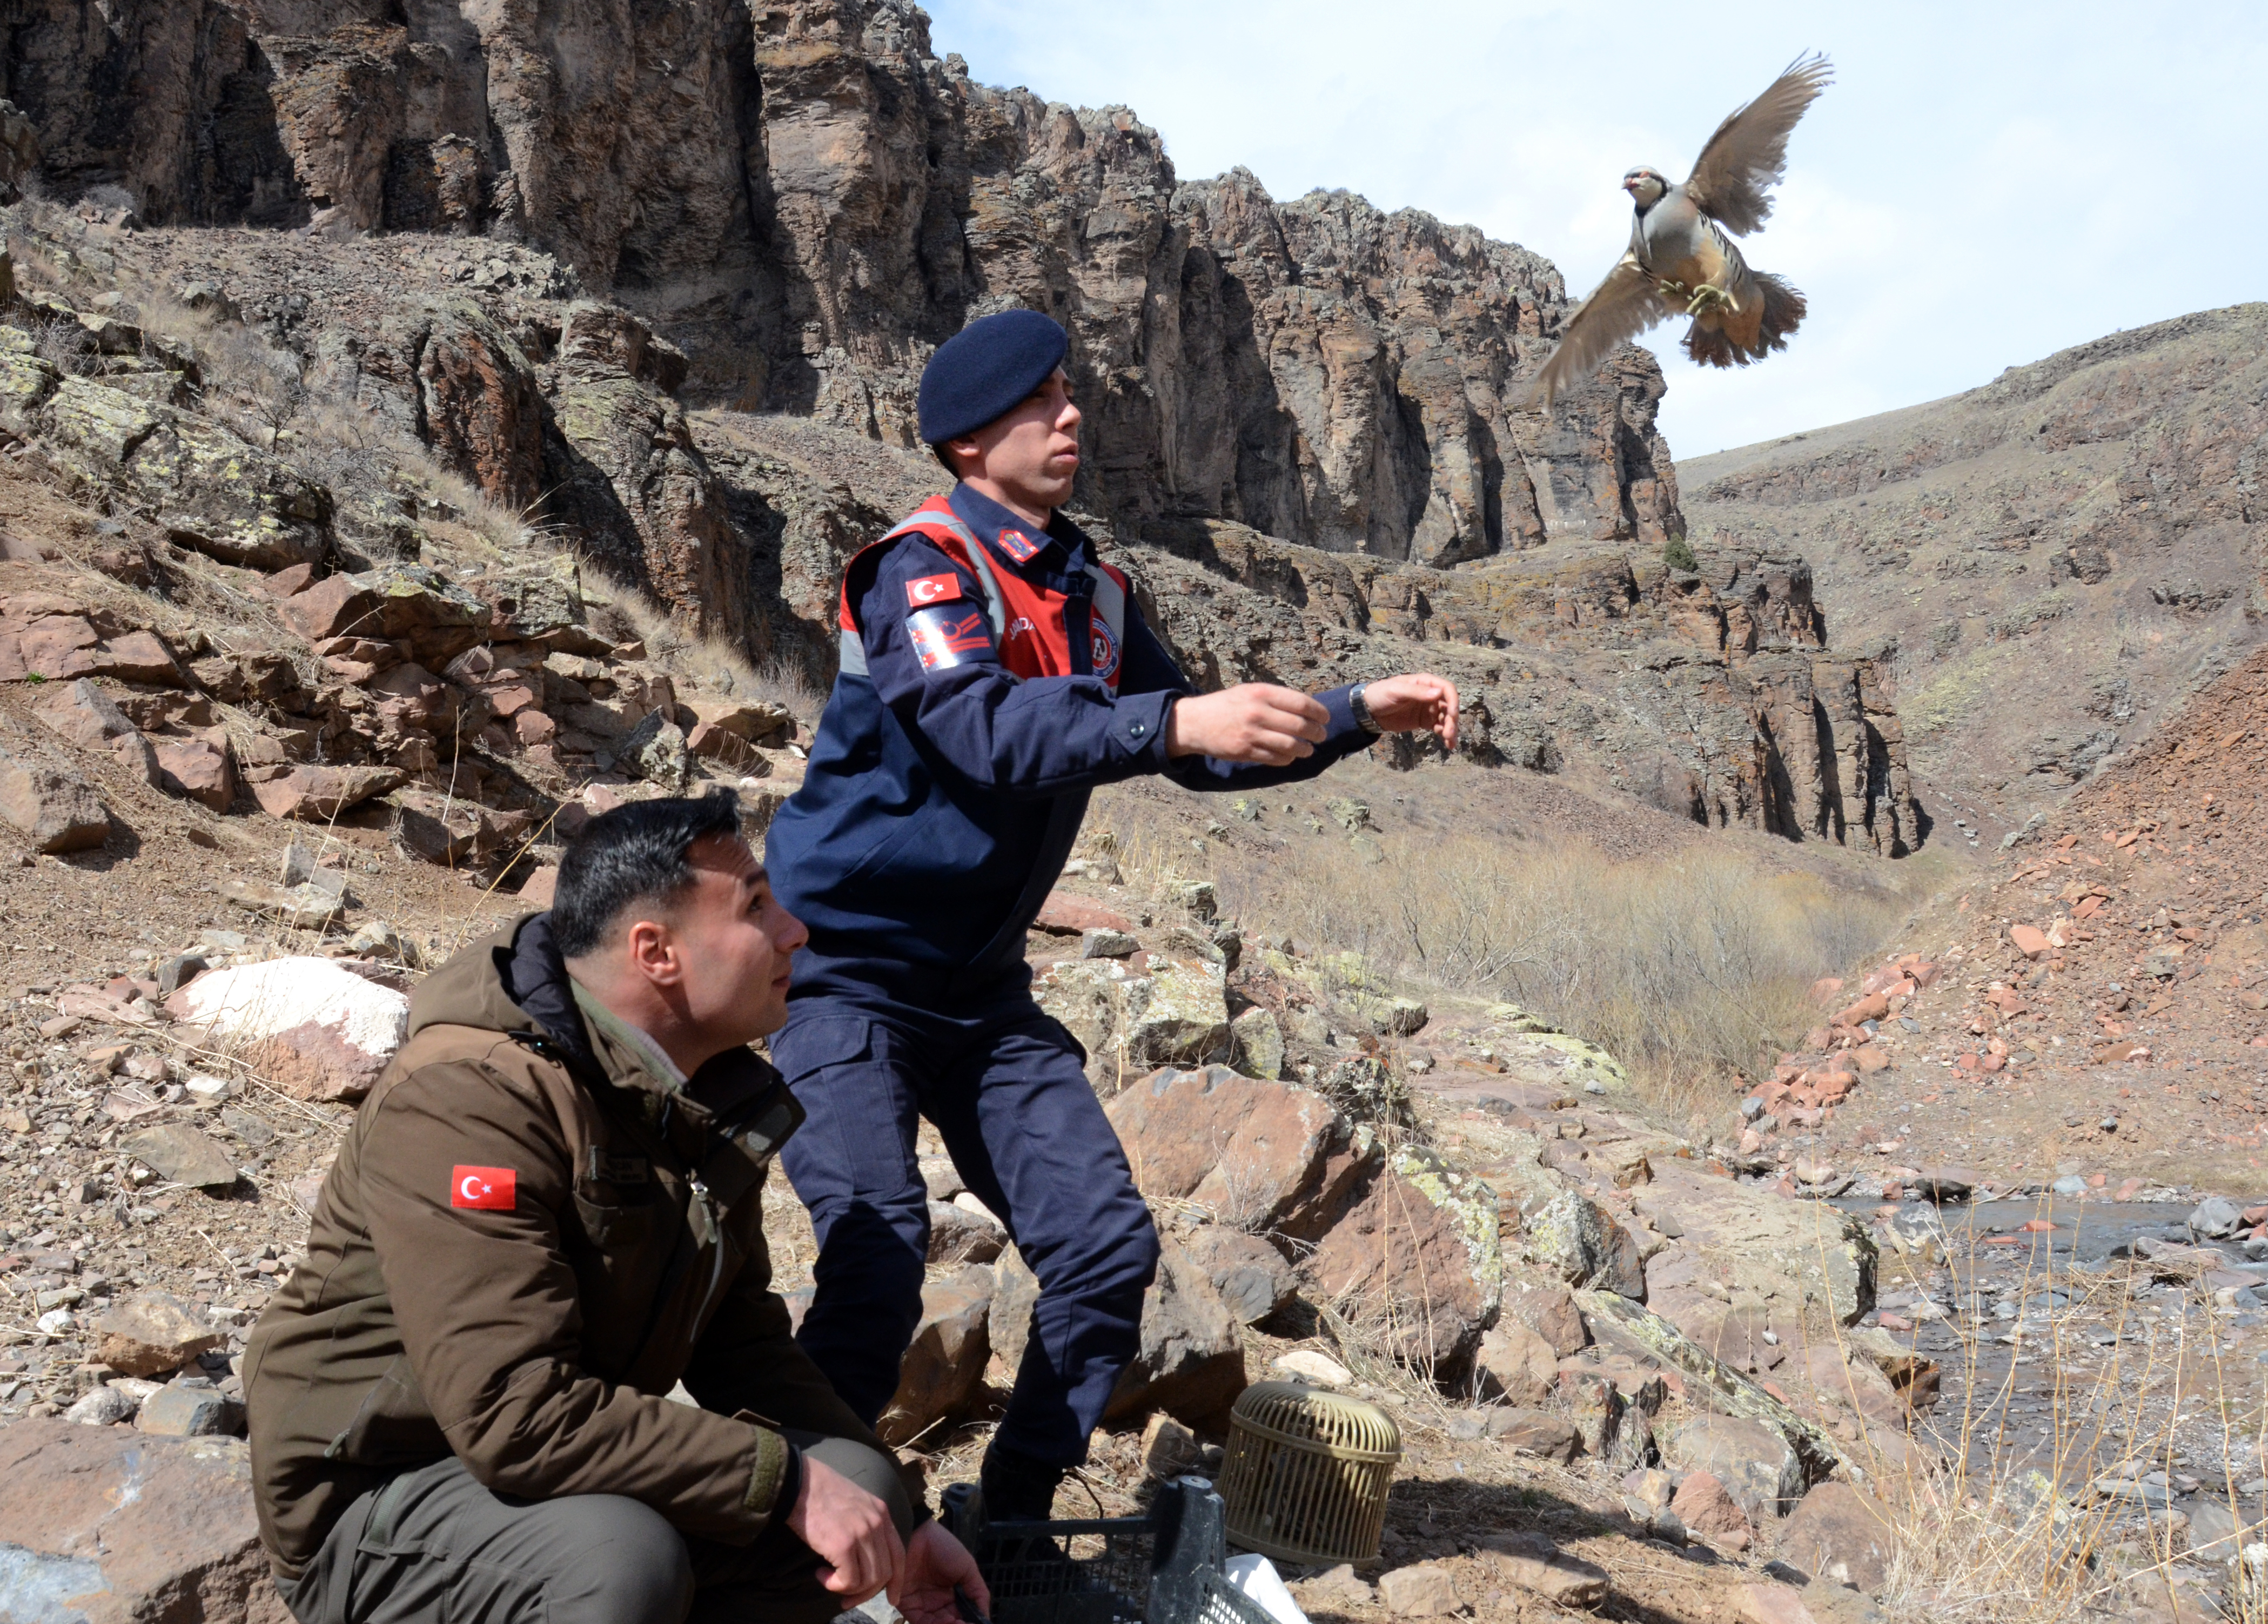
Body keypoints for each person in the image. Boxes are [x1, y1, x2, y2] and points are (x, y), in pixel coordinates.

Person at [764, 307, 1461, 1521]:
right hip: (842, 976)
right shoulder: (919, 567)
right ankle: (783, 1532)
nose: (1070, 414)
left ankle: (1011, 1519)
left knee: (1101, 1257)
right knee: (876, 1251)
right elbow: (980, 729)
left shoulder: (1092, 587)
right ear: (970, 444)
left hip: (980, 995)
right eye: (1038, 403)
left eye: (1067, 393)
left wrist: (1350, 711)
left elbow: (1199, 748)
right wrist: (1171, 722)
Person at [244, 793, 988, 1624]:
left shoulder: (690, 1094)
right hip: (381, 1495)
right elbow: (511, 1410)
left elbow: (739, 1345)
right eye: (754, 907)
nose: (793, 932)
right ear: (656, 951)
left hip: (540, 1476)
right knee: (621, 1559)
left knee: (861, 1486)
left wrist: (905, 1524)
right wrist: (783, 1478)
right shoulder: (468, 1097)